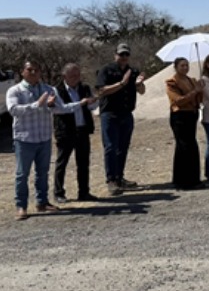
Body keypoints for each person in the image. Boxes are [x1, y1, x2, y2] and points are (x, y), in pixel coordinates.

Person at [8, 61, 91, 220]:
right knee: (22, 174)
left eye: (36, 69)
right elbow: (13, 110)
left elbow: (62, 108)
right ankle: (21, 206)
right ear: (22, 72)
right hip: (24, 138)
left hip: (44, 138)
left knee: (42, 173)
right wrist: (36, 105)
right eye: (29, 69)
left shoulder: (48, 89)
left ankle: (42, 202)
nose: (33, 72)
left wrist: (79, 104)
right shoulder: (15, 90)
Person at [96, 43, 146, 196]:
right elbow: (101, 90)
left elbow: (142, 91)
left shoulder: (133, 71)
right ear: (115, 55)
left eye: (126, 55)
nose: (124, 57)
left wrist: (139, 84)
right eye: (121, 54)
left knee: (123, 147)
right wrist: (122, 83)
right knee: (110, 147)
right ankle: (111, 180)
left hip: (126, 114)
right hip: (110, 114)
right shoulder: (106, 70)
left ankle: (119, 177)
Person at [53, 63, 99, 203]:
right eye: (72, 76)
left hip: (82, 130)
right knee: (62, 163)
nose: (76, 78)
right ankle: (59, 193)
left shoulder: (84, 88)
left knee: (83, 163)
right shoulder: (57, 90)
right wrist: (81, 103)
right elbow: (61, 109)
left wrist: (93, 101)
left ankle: (84, 192)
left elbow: (92, 107)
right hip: (66, 132)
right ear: (64, 76)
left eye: (78, 75)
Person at [165, 58, 205, 190]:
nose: (185, 68)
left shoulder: (190, 80)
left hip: (191, 115)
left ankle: (193, 179)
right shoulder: (172, 82)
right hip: (179, 116)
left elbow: (198, 99)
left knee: (192, 146)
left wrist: (200, 89)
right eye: (182, 65)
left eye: (187, 65)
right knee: (183, 147)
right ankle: (183, 181)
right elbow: (178, 101)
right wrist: (194, 92)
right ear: (176, 67)